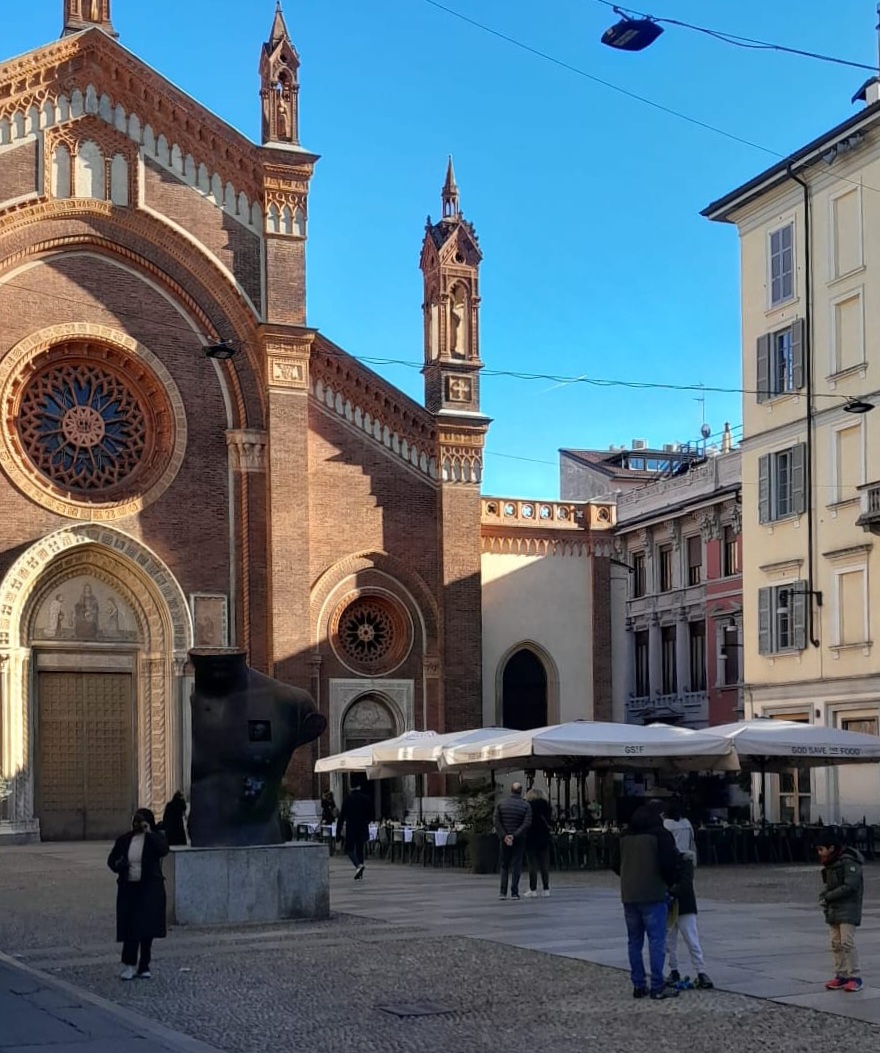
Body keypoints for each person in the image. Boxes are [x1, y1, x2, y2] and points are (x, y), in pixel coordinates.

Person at [612, 801, 680, 1000]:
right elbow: (669, 864)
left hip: (629, 894)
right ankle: (657, 985)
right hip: (653, 893)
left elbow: (615, 864)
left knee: (634, 941)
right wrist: (671, 884)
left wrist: (628, 875)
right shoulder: (661, 835)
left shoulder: (624, 836)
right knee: (656, 940)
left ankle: (638, 984)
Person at [107, 808, 169, 981]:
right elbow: (112, 861)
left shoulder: (153, 840)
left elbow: (164, 849)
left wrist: (150, 832)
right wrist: (120, 865)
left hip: (149, 889)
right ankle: (129, 964)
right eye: (136, 821)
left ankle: (144, 965)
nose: (138, 825)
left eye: (141, 822)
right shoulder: (125, 840)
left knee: (146, 928)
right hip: (129, 888)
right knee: (130, 928)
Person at [817, 831, 864, 992]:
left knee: (847, 942)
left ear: (831, 848)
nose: (820, 853)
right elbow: (829, 886)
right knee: (835, 943)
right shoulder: (831, 863)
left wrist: (828, 896)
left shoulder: (849, 862)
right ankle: (841, 974)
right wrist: (824, 896)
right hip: (834, 908)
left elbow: (851, 886)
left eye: (821, 849)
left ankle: (855, 976)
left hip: (848, 908)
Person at [494, 782, 532, 901]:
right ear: (521, 791)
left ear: (511, 790)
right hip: (519, 839)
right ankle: (514, 892)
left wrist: (504, 836)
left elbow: (496, 820)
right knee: (516, 865)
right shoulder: (526, 805)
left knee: (504, 865)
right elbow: (527, 823)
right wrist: (514, 836)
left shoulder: (501, 803)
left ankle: (502, 892)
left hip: (504, 839)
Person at [337, 783, 373, 880]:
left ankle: (358, 865)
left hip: (351, 827)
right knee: (360, 849)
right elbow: (370, 814)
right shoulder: (366, 798)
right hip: (363, 827)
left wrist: (338, 832)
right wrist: (366, 821)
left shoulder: (348, 799)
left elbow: (341, 817)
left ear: (351, 788)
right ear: (359, 787)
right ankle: (360, 873)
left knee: (348, 849)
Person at [523, 787, 552, 898]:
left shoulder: (527, 806)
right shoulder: (547, 807)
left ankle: (533, 889)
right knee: (544, 865)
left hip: (530, 837)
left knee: (532, 865)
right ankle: (546, 889)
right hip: (544, 838)